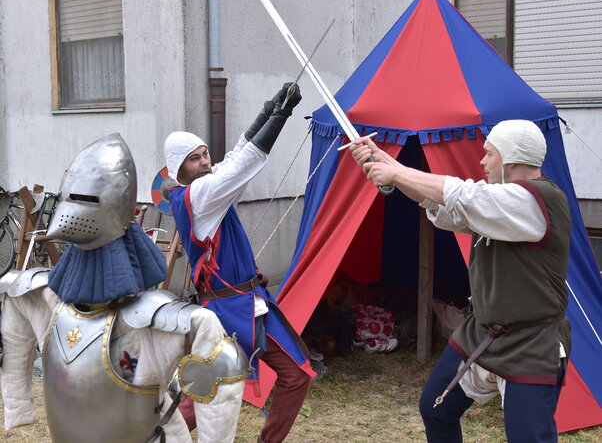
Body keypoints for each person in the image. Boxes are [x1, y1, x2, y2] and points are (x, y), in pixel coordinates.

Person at [0, 134, 248, 443]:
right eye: (73, 197)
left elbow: (221, 364)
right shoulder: (39, 296)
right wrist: (18, 403)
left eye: (85, 199)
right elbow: (12, 324)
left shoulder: (154, 319)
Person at [350, 120, 571, 443]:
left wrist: (396, 172)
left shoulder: (535, 201)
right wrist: (386, 163)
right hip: (481, 332)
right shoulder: (499, 202)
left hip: (531, 343)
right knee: (435, 409)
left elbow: (462, 195)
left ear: (510, 160)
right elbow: (442, 205)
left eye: (489, 154)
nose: (483, 162)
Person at [163, 83, 315, 443]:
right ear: (178, 169)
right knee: (216, 387)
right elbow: (238, 168)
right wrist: (279, 117)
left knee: (222, 380)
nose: (205, 163)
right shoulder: (198, 195)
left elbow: (232, 160)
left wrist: (265, 113)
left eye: (204, 155)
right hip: (228, 311)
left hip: (244, 303)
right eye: (194, 159)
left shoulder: (207, 188)